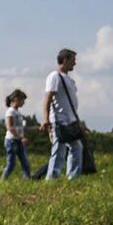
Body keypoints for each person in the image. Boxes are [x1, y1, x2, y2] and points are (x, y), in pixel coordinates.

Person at [39, 48, 84, 180]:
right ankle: (52, 178)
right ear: (65, 60)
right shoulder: (54, 77)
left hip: (70, 121)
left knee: (76, 148)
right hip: (60, 120)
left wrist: (78, 122)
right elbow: (48, 98)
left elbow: (71, 105)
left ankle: (72, 177)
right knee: (59, 151)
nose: (74, 64)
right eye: (73, 61)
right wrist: (46, 119)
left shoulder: (68, 79)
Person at [1, 89, 31, 180]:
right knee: (11, 163)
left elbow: (20, 127)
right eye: (22, 100)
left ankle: (27, 180)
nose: (23, 103)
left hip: (18, 140)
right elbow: (10, 127)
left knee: (25, 162)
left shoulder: (18, 112)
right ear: (16, 99)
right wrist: (21, 137)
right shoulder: (10, 111)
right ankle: (3, 179)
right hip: (12, 141)